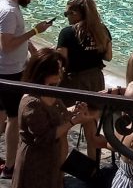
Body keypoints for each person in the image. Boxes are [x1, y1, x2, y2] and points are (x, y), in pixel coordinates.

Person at [11, 49, 91, 188]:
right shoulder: (32, 102)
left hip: (52, 159)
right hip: (35, 162)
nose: (61, 74)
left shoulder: (49, 91)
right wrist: (73, 122)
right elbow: (44, 137)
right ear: (43, 73)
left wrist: (75, 111)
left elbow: (59, 114)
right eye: (58, 70)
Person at [0, 0, 52, 180]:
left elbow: (11, 38)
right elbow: (7, 44)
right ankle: (10, 167)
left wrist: (31, 49)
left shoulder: (4, 3)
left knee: (1, 115)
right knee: (14, 119)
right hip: (10, 72)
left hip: (5, 70)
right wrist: (35, 31)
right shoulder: (9, 12)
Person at [56, 0, 112, 161]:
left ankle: (59, 175)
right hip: (95, 80)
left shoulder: (67, 33)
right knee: (91, 126)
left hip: (72, 81)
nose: (67, 17)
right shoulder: (103, 30)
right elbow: (108, 57)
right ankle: (93, 170)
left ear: (76, 13)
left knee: (64, 125)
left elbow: (60, 62)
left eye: (67, 13)